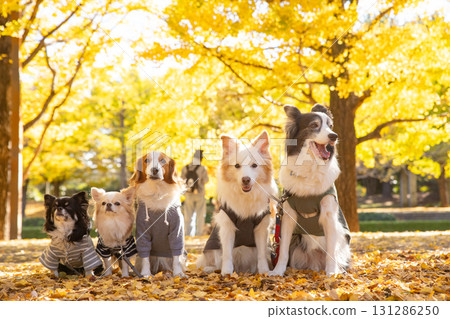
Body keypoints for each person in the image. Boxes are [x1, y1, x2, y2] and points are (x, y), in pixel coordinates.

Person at [181, 150, 209, 236]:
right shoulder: (202, 168)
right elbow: (206, 180)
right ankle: (199, 234)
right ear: (201, 158)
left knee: (188, 216)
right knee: (200, 215)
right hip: (200, 194)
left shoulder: (185, 168)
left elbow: (182, 180)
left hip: (189, 194)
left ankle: (188, 234)